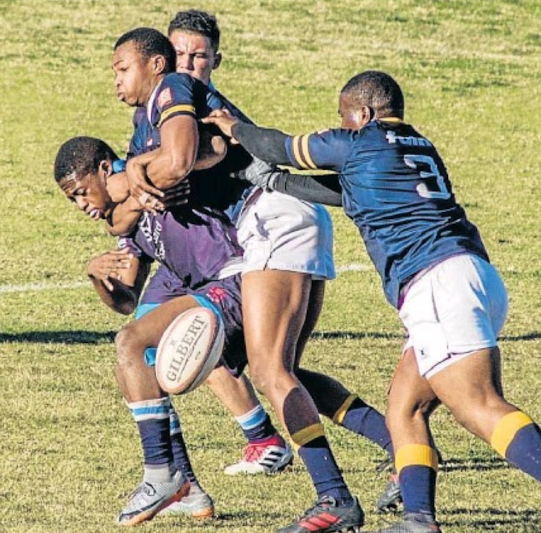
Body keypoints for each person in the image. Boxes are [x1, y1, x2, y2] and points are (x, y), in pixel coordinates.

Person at [203, 70, 541, 533]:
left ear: (363, 112)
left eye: (343, 118)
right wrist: (277, 183)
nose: (341, 125)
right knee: (404, 409)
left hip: (435, 283)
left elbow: (282, 145)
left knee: (476, 403)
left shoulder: (359, 139)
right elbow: (345, 192)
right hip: (471, 274)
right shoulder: (418, 145)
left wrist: (233, 128)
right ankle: (418, 520)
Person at [116, 15, 397, 532]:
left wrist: (140, 169)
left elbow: (208, 151)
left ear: (213, 62)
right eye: (180, 55)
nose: (187, 66)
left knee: (272, 373)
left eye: (197, 57)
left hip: (272, 220)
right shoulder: (164, 106)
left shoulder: (189, 99)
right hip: (284, 222)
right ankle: (399, 444)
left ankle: (334, 498)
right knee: (281, 370)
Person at [53, 134, 291, 524]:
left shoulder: (151, 176)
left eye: (81, 193)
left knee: (277, 373)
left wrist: (140, 183)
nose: (81, 205)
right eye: (72, 200)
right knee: (141, 353)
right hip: (187, 280)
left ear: (103, 169)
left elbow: (193, 155)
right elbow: (126, 300)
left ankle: (199, 461)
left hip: (234, 272)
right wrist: (97, 277)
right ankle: (186, 486)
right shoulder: (125, 223)